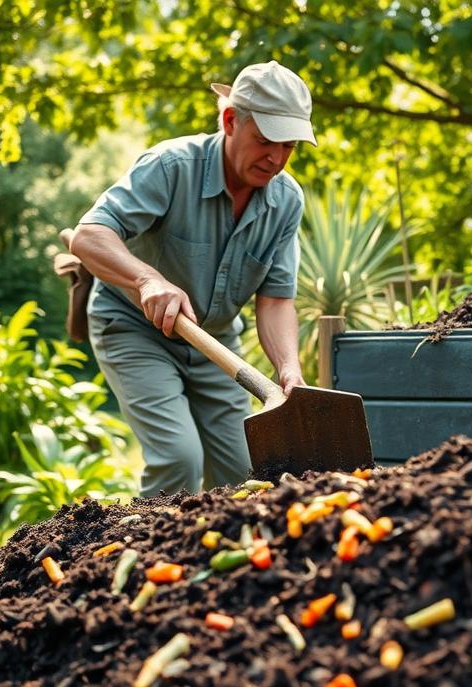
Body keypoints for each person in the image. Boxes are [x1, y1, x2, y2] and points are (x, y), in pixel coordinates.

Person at [68, 60, 316, 496]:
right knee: (178, 458)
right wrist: (148, 280)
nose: (276, 157)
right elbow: (89, 236)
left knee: (247, 472)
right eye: (265, 140)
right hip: (133, 328)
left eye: (289, 145)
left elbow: (276, 299)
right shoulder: (172, 166)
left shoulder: (286, 200)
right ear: (230, 121)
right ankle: (145, 556)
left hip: (214, 343)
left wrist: (289, 368)